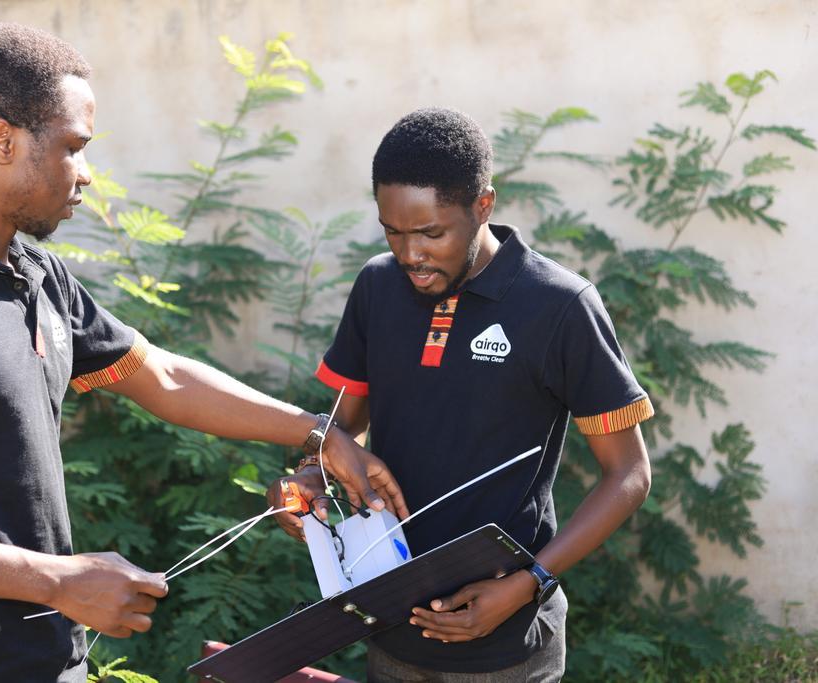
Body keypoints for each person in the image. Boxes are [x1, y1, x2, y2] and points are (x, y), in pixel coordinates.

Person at [0, 24, 406, 682]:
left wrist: (318, 432)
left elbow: (160, 375)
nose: (86, 173)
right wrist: (59, 582)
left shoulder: (34, 272)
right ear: (2, 141)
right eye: (73, 147)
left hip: (49, 662)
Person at [268, 108, 653, 682]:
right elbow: (340, 433)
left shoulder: (560, 307)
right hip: (390, 625)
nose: (410, 256)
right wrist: (308, 481)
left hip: (507, 645)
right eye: (393, 232)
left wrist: (528, 584)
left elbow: (628, 475)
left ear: (484, 206)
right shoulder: (377, 286)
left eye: (431, 233)